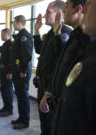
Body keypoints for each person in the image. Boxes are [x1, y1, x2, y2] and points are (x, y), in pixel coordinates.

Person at [51, 0, 96, 134]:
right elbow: (62, 64)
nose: (84, 9)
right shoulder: (76, 37)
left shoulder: (85, 41)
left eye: (91, 2)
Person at [33, 1, 71, 135]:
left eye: (48, 12)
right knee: (45, 124)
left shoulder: (64, 33)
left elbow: (61, 66)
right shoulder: (50, 33)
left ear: (59, 13)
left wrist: (48, 92)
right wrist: (36, 31)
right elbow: (39, 51)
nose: (44, 15)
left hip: (51, 90)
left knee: (50, 126)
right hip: (43, 86)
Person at [50, 0, 89, 110]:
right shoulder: (74, 35)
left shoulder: (85, 38)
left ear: (78, 9)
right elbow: (61, 61)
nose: (63, 10)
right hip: (61, 100)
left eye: (66, 7)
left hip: (72, 106)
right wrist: (57, 34)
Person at [11, 15, 33, 129]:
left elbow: (26, 54)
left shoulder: (24, 36)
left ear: (19, 22)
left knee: (23, 96)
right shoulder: (20, 35)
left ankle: (25, 121)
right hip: (18, 70)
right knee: (19, 96)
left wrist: (23, 70)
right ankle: (21, 117)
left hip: (22, 71)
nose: (13, 24)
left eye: (14, 22)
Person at [0, 28, 13, 117]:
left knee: (8, 91)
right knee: (4, 91)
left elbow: (11, 60)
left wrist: (10, 72)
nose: (1, 36)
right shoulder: (5, 44)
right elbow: (0, 50)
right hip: (2, 71)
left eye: (2, 34)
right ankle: (5, 107)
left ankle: (9, 109)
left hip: (7, 72)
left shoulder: (11, 44)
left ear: (6, 34)